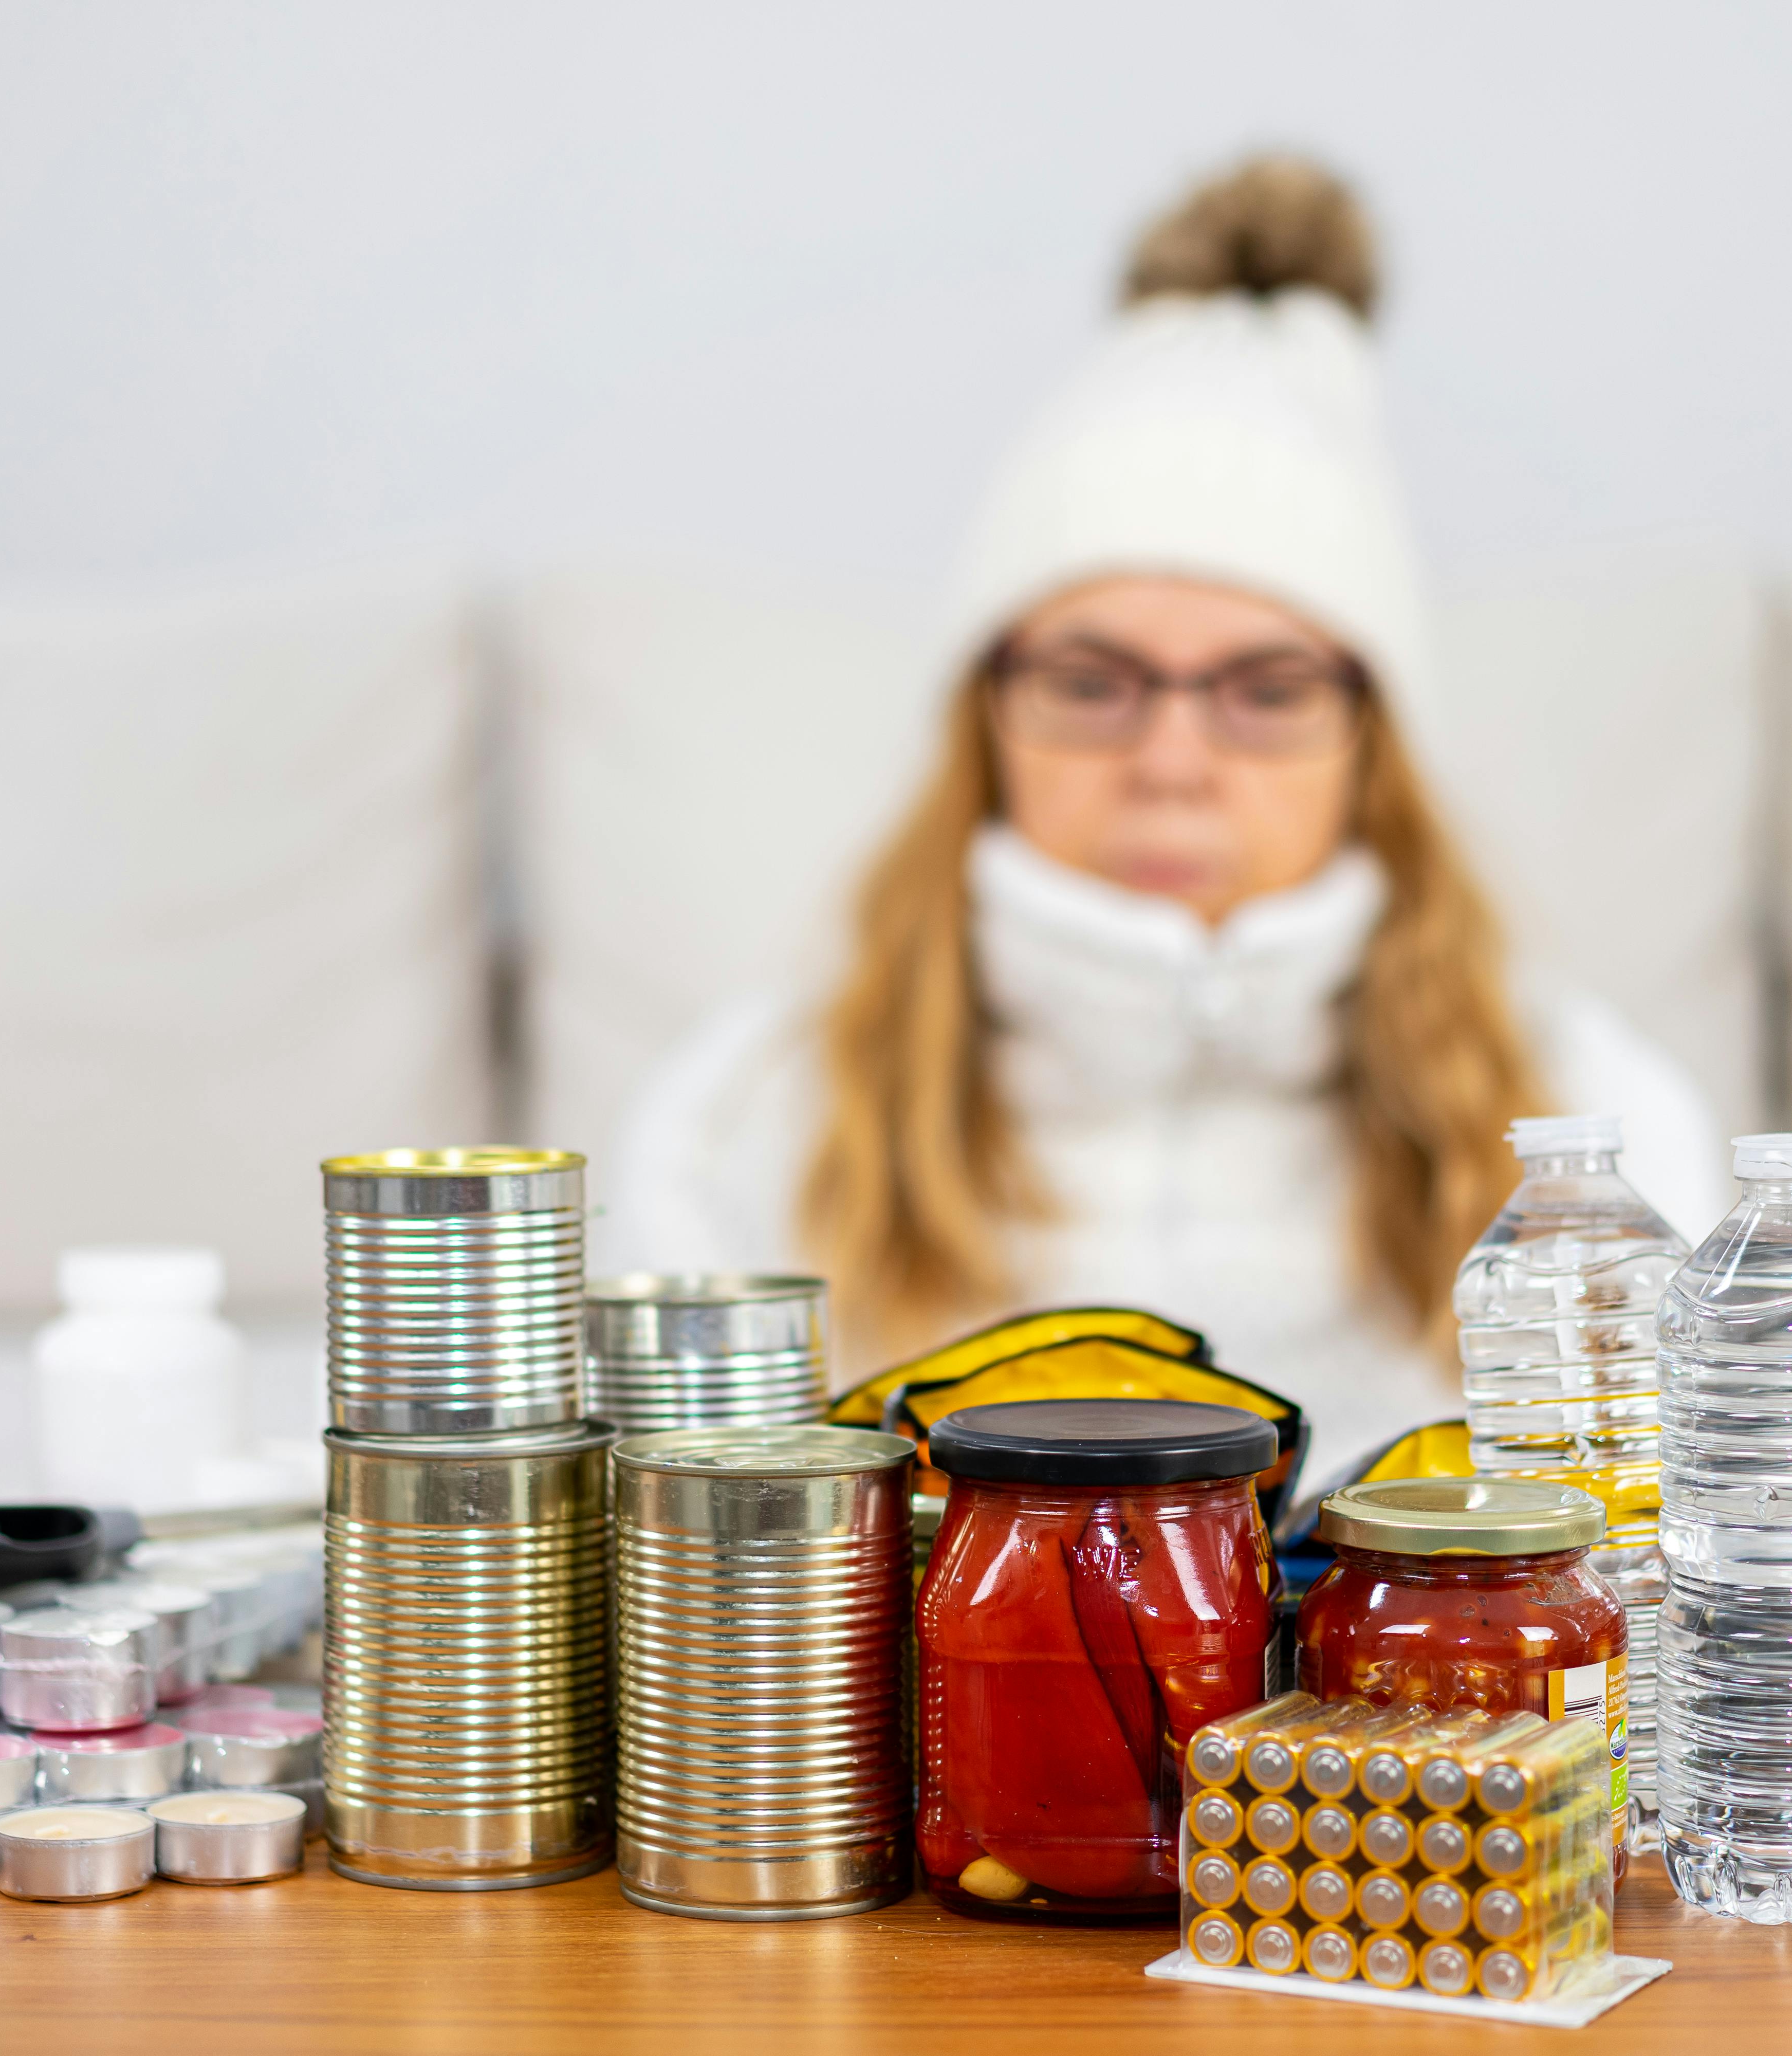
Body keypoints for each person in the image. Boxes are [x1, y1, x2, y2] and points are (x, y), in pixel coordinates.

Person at [605, 155, 1721, 1474]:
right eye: (1092, 681)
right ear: (986, 717)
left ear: (1370, 740)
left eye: (1268, 686)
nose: (1173, 757)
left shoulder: (1591, 1122)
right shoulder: (745, 1117)